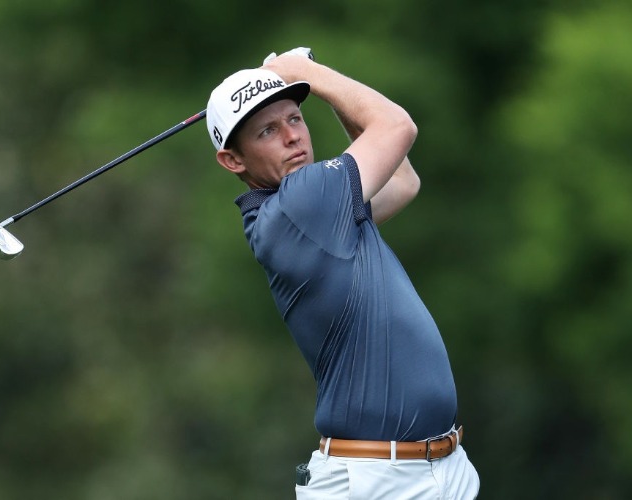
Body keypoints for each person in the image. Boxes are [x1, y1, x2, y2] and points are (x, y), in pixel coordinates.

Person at [206, 48, 480, 499]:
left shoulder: (314, 209)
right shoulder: (302, 204)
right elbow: (398, 127)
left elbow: (403, 180)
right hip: (377, 482)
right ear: (233, 160)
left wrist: (317, 87)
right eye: (268, 131)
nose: (292, 136)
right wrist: (307, 73)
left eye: (295, 117)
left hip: (438, 468)